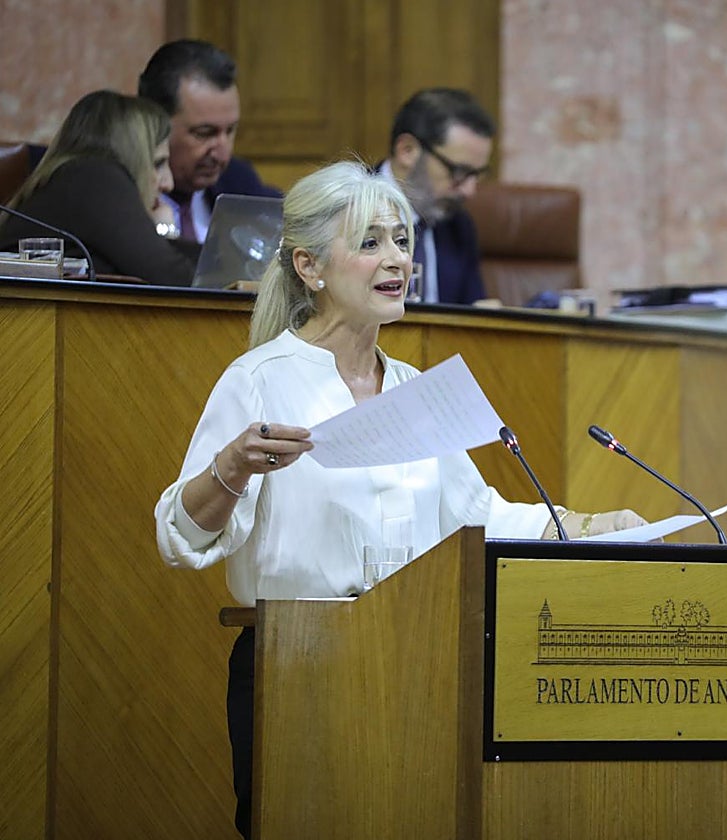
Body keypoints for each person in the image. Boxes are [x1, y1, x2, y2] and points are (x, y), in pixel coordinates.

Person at [153, 160, 643, 838]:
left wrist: (590, 524)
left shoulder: (417, 389)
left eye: (402, 241)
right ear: (309, 266)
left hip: (416, 665)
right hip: (298, 669)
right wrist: (232, 466)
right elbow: (181, 538)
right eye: (371, 243)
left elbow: (481, 518)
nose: (398, 261)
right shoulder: (259, 380)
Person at [0, 90, 198, 285]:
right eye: (157, 163)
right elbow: (173, 277)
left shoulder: (78, 176)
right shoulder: (94, 178)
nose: (168, 183)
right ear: (132, 158)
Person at [138, 39, 281, 243]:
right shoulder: (124, 197)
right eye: (204, 133)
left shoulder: (239, 184)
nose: (223, 151)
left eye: (230, 130)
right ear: (153, 123)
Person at [381, 88, 494, 305]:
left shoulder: (459, 226)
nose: (469, 191)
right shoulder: (345, 210)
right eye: (459, 172)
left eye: (477, 175)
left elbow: (471, 312)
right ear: (408, 151)